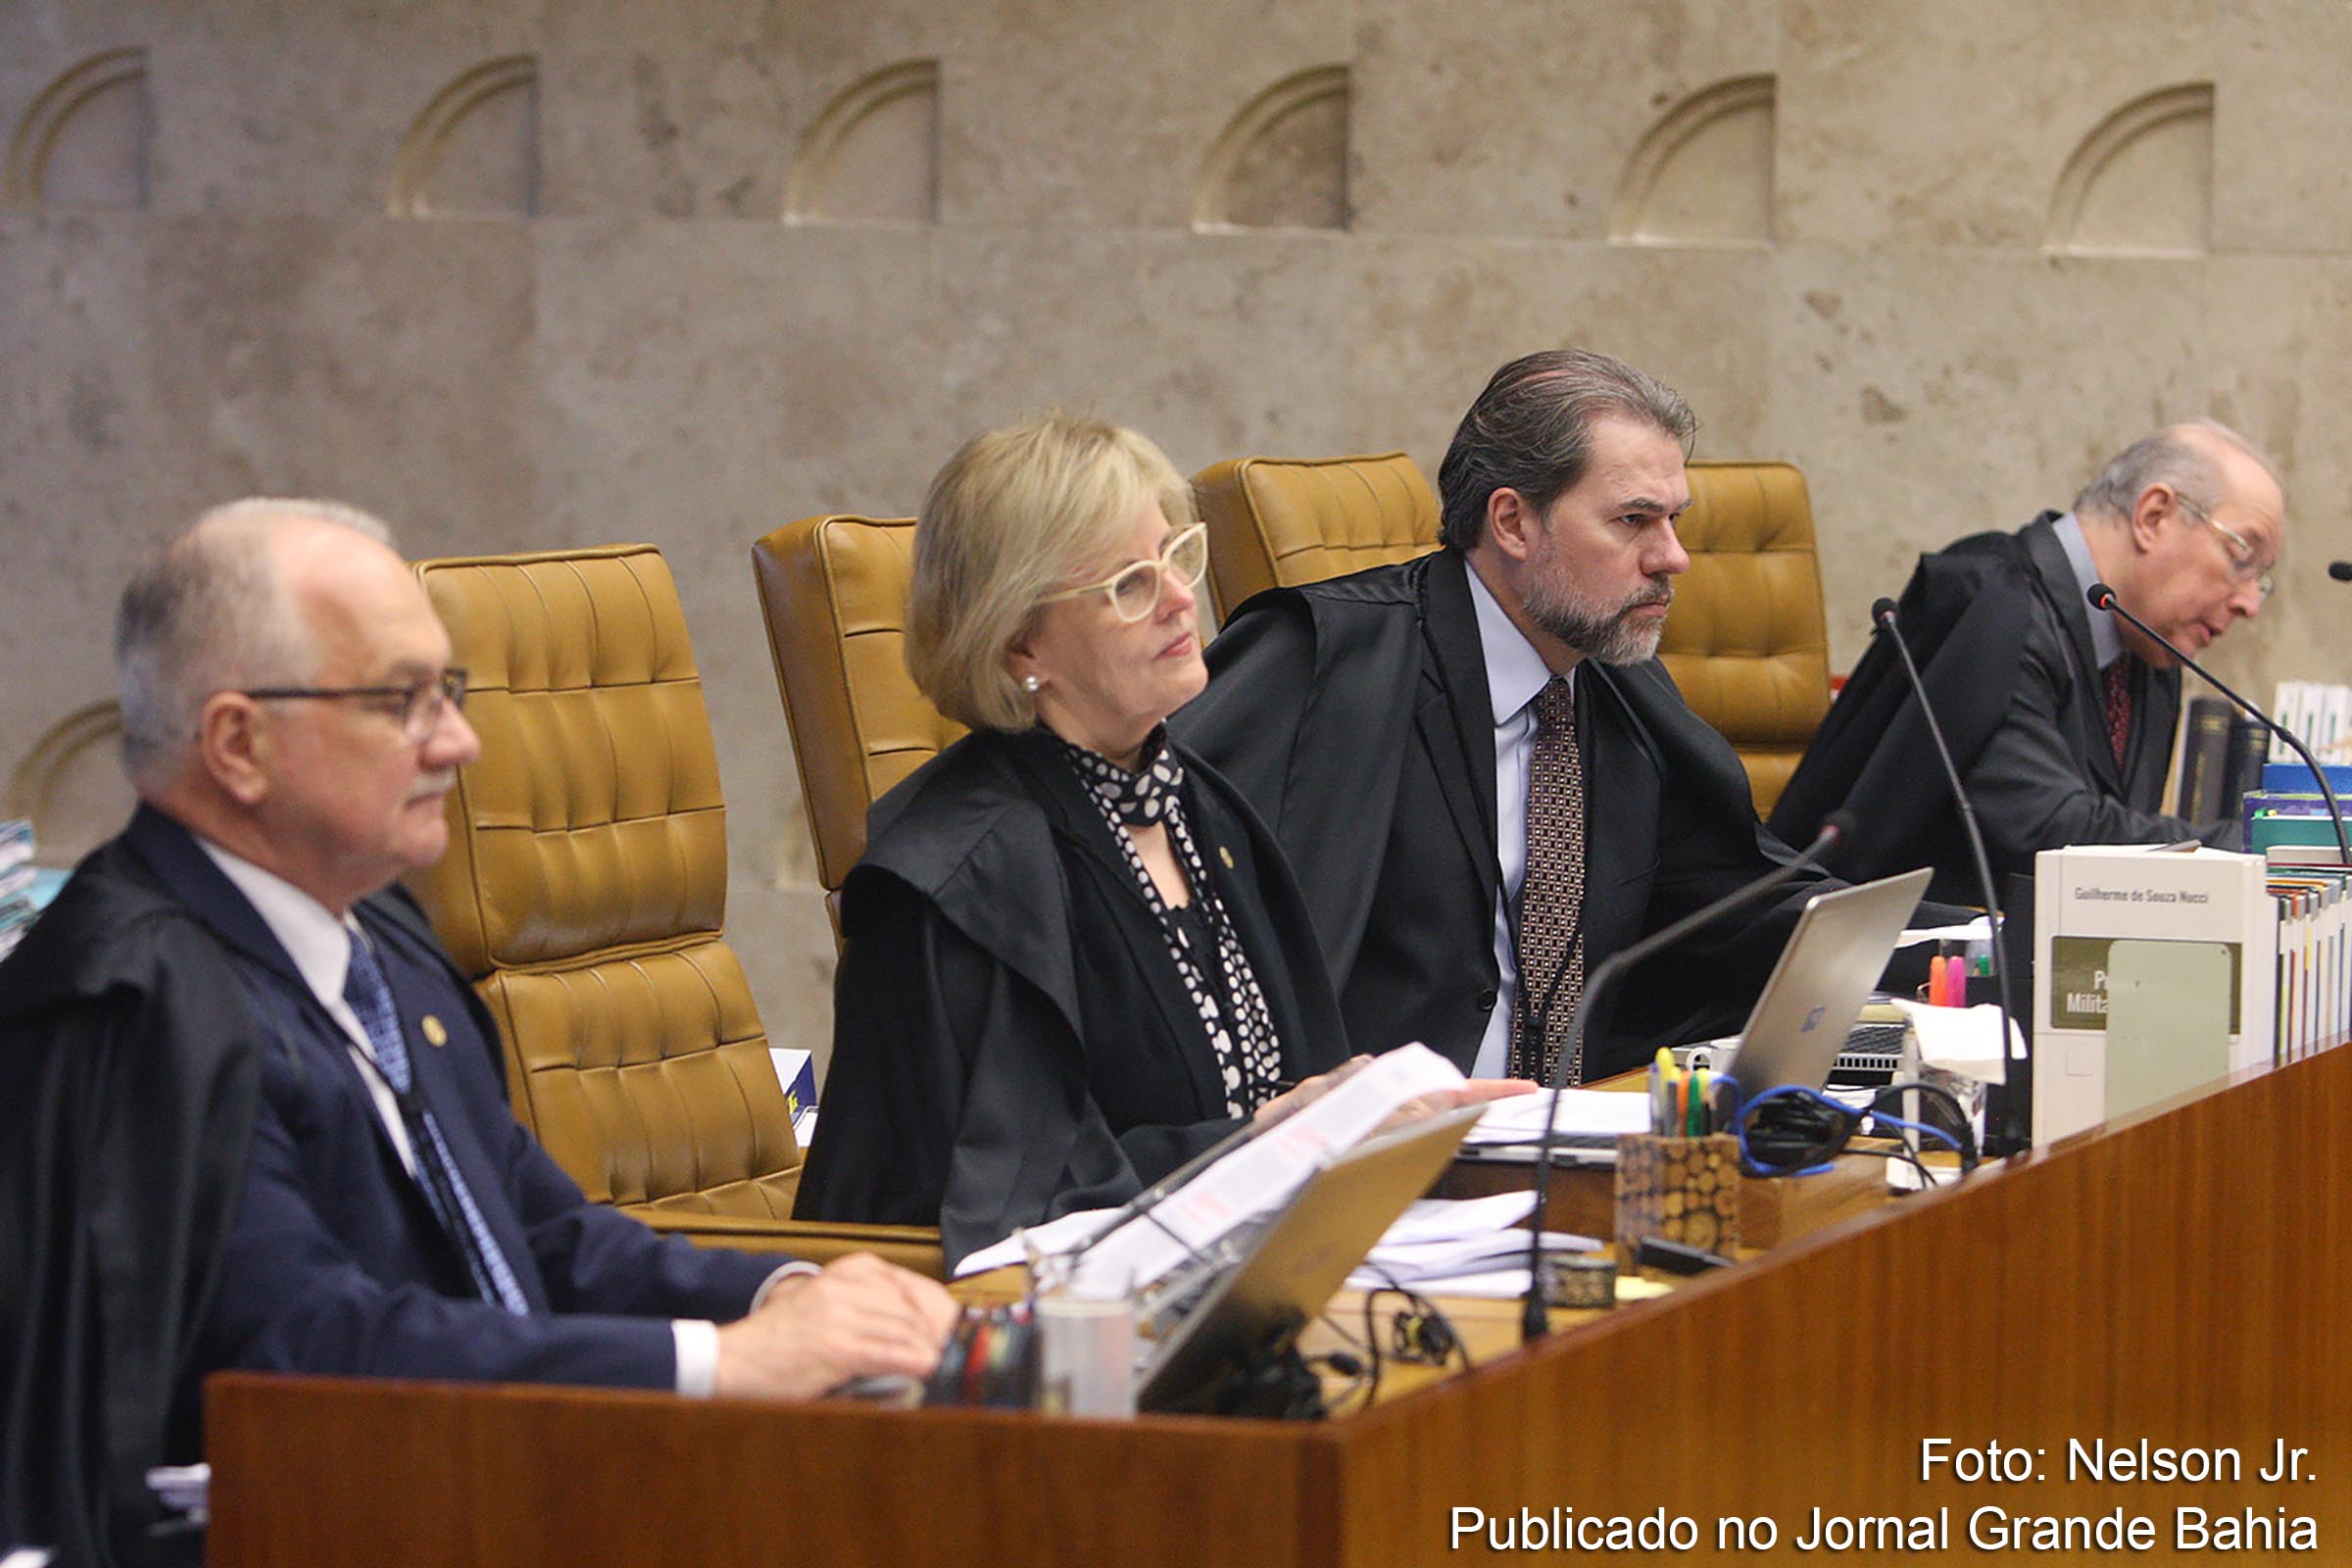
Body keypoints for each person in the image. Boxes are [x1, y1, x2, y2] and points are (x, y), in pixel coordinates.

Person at [0, 501, 956, 1565]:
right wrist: (721, 1365)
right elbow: (305, 1352)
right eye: (403, 702)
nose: (460, 741)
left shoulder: (383, 946)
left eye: (446, 693)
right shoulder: (130, 1002)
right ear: (238, 742)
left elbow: (539, 1235)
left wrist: (787, 1294)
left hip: (483, 1492)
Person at [794, 414, 1524, 1267]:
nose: (1182, 598)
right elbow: (1005, 1199)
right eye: (1131, 585)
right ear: (1021, 641)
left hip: (1241, 1279)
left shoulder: (1197, 803)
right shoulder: (963, 878)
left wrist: (1356, 1115)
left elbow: (1289, 1086)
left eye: (1179, 556)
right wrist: (1266, 1139)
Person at [1173, 348, 1873, 1087]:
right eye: (1634, 521)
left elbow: (1730, 902)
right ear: (1512, 522)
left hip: (1563, 1135)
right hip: (1368, 1153)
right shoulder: (1321, 661)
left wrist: (1951, 940)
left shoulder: (1614, 689)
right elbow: (1162, 900)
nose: (1673, 558)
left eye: (1674, 521)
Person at [1768, 421, 2286, 902]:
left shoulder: (2148, 648)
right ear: (2154, 516)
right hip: (1889, 971)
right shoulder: (1992, 601)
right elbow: (2049, 834)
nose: (2250, 603)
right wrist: (2277, 843)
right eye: (2241, 556)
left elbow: (2120, 870)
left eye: (2260, 578)